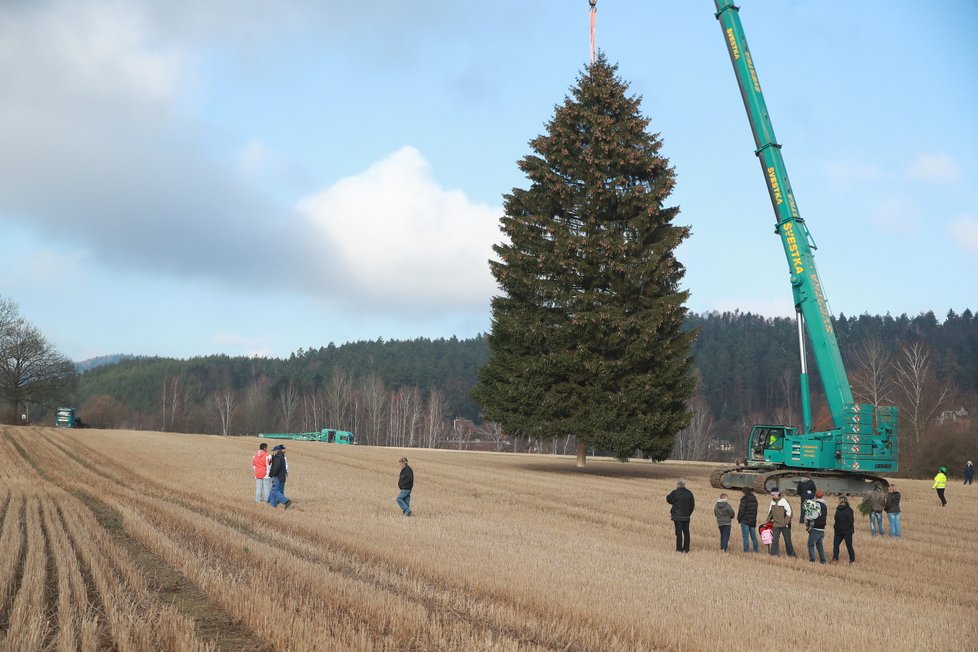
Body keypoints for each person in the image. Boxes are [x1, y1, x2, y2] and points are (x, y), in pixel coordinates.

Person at [666, 479, 695, 553]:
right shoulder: (689, 493)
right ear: (684, 485)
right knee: (686, 533)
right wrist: (688, 513)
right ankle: (686, 549)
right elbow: (692, 506)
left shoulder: (675, 492)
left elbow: (669, 500)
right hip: (686, 516)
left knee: (679, 534)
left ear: (678, 485)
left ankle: (679, 549)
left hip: (677, 516)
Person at [766, 488, 795, 557]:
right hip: (776, 525)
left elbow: (790, 513)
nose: (773, 496)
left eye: (774, 494)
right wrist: (768, 521)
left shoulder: (784, 501)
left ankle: (791, 555)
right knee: (774, 540)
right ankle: (774, 554)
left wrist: (785, 523)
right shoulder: (772, 502)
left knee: (788, 541)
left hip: (786, 525)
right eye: (772, 495)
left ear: (778, 493)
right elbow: (770, 513)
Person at [805, 489, 828, 564]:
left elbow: (812, 516)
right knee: (819, 545)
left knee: (810, 544)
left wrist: (807, 521)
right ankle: (823, 560)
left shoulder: (815, 504)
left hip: (815, 528)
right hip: (822, 529)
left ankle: (812, 560)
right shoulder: (824, 505)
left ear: (815, 496)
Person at [831, 495, 855, 564]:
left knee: (849, 546)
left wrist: (843, 528)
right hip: (838, 531)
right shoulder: (838, 509)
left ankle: (852, 560)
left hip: (847, 532)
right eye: (840, 501)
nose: (840, 503)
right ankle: (835, 558)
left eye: (842, 501)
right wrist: (835, 527)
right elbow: (836, 519)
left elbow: (851, 522)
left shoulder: (849, 510)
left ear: (845, 502)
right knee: (835, 545)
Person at [268, 445, 292, 509]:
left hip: (277, 477)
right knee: (273, 492)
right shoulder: (282, 457)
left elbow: (276, 468)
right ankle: (273, 506)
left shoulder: (277, 458)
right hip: (281, 477)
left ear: (276, 451)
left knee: (274, 491)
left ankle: (286, 501)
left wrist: (272, 474)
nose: (273, 452)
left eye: (273, 451)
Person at [737, 488, 759, 553]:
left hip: (745, 521)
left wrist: (739, 519)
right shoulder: (755, 499)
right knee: (754, 536)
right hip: (752, 521)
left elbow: (741, 511)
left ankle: (746, 551)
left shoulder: (744, 499)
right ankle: (756, 550)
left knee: (745, 536)